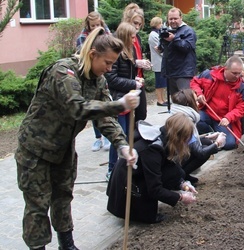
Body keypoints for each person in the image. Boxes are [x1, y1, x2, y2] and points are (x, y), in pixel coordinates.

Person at [15, 27, 140, 250]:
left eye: (113, 64)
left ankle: (67, 245)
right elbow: (77, 108)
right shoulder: (63, 72)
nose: (109, 69)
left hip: (63, 149)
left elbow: (104, 118)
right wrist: (119, 104)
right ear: (93, 54)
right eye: (107, 63)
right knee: (37, 205)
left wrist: (122, 145)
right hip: (35, 150)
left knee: (63, 197)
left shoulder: (98, 80)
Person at [107, 113, 199, 224]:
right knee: (149, 212)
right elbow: (155, 189)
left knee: (175, 172)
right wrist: (181, 197)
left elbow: (168, 167)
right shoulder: (152, 150)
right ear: (178, 137)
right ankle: (139, 212)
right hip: (127, 184)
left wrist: (182, 183)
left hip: (135, 174)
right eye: (185, 140)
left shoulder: (163, 135)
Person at [105, 22, 147, 182]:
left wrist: (134, 79)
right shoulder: (115, 54)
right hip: (118, 100)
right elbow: (112, 78)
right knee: (119, 135)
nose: (134, 39)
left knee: (128, 135)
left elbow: (127, 74)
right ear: (123, 36)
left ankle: (123, 167)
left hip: (129, 98)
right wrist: (132, 83)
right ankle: (112, 169)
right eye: (132, 36)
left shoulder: (129, 51)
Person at [190, 55, 244, 150]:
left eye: (239, 73)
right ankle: (211, 137)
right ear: (225, 69)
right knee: (196, 119)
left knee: (229, 144)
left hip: (224, 118)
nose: (237, 76)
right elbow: (195, 82)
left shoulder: (242, 87)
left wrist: (228, 117)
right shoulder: (209, 74)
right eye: (234, 73)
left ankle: (211, 139)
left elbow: (243, 107)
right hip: (207, 112)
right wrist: (199, 94)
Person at [171, 89, 226, 183]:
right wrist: (217, 143)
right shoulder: (185, 122)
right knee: (207, 148)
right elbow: (200, 152)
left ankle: (184, 174)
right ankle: (180, 176)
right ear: (189, 104)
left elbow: (187, 140)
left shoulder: (177, 114)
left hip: (174, 155)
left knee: (207, 142)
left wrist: (208, 136)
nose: (198, 103)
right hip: (174, 161)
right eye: (196, 101)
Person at [75, 11, 111, 151]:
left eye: (98, 24)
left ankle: (108, 136)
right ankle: (98, 138)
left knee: (105, 104)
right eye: (93, 25)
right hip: (90, 77)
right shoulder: (82, 38)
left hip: (104, 76)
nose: (96, 27)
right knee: (94, 107)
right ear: (88, 26)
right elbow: (82, 58)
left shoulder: (107, 36)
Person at [160, 7, 197, 96]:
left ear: (181, 18)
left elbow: (186, 47)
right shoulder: (167, 31)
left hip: (184, 73)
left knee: (185, 99)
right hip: (171, 73)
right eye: (170, 19)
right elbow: (165, 50)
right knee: (175, 100)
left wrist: (174, 38)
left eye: (175, 18)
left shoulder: (188, 31)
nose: (173, 21)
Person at [148, 16, 168, 106]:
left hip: (162, 62)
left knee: (163, 83)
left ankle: (163, 99)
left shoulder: (158, 33)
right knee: (159, 83)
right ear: (156, 24)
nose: (161, 25)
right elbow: (159, 49)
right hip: (158, 62)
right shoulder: (153, 35)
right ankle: (159, 100)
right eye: (160, 23)